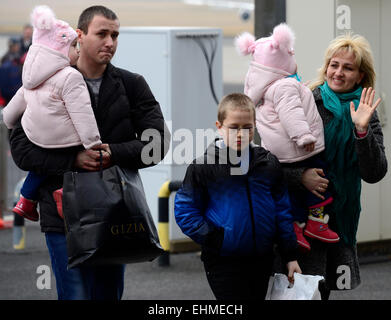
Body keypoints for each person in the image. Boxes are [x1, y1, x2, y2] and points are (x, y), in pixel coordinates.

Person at [8, 5, 170, 300]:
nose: (110, 42)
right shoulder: (45, 82)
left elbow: (157, 143)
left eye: (115, 35)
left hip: (114, 214)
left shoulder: (132, 84)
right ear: (79, 36)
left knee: (107, 295)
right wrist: (72, 159)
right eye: (102, 34)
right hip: (61, 214)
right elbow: (21, 149)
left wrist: (115, 153)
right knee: (74, 296)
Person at [282, 33, 387, 299]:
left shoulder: (365, 110)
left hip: (336, 219)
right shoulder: (306, 101)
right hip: (299, 218)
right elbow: (271, 160)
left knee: (321, 292)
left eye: (348, 67)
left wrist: (361, 131)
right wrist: (301, 176)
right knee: (293, 291)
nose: (338, 72)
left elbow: (375, 173)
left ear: (361, 76)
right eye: (334, 64)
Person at [174, 93, 301, 300]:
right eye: (233, 127)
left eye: (247, 127)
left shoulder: (268, 163)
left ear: (255, 126)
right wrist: (217, 239)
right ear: (219, 126)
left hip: (262, 258)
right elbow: (185, 211)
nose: (241, 133)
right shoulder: (204, 166)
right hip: (223, 260)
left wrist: (290, 255)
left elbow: (282, 211)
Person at [235, 23, 339, 251]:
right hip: (300, 149)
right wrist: (304, 136)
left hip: (281, 153)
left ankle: (294, 227)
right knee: (320, 184)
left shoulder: (265, 89)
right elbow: (292, 114)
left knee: (288, 194)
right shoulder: (284, 86)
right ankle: (315, 222)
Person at [3, 5, 102, 222]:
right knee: (65, 160)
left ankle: (25, 200)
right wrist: (93, 142)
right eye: (73, 46)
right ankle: (58, 197)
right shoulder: (70, 76)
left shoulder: (31, 77)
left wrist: (10, 124)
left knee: (42, 166)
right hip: (62, 139)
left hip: (33, 135)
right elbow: (81, 113)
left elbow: (12, 109)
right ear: (59, 50)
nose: (78, 50)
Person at [0, 37, 23, 104]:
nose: (17, 47)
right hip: (10, 91)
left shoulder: (19, 56)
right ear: (12, 46)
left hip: (16, 89)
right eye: (16, 46)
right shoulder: (6, 58)